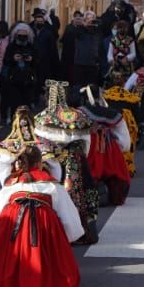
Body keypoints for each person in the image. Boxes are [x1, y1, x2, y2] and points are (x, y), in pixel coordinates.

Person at [0, 143, 85, 287]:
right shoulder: (52, 186)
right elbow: (69, 219)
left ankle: (16, 282)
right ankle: (45, 281)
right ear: (39, 163)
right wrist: (64, 239)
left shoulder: (10, 186)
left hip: (14, 234)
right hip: (45, 230)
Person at [34, 83, 100, 243]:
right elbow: (87, 142)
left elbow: (38, 143)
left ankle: (58, 235)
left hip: (51, 162)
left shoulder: (42, 117)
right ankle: (83, 231)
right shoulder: (78, 116)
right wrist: (79, 155)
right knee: (84, 193)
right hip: (76, 161)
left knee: (55, 198)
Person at [78, 85, 133, 206]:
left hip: (89, 147)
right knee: (115, 170)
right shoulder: (113, 114)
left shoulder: (77, 113)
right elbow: (125, 144)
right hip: (109, 148)